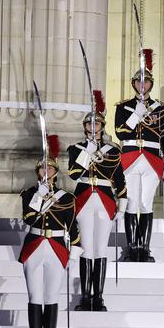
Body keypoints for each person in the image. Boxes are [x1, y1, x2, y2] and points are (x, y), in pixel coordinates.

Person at [18, 139, 80, 328]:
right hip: (34, 246)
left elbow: (73, 226)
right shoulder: (28, 195)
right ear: (38, 172)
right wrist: (39, 197)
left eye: (50, 168)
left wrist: (74, 252)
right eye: (43, 168)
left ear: (55, 172)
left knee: (51, 296)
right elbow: (28, 219)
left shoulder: (66, 198)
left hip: (56, 247)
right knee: (35, 295)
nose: (46, 171)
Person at [67, 93, 124, 311]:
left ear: (102, 126)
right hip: (83, 200)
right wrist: (87, 153)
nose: (93, 127)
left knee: (100, 249)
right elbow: (73, 174)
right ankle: (85, 296)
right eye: (89, 123)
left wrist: (123, 203)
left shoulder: (113, 150)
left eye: (97, 123)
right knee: (86, 249)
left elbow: (119, 179)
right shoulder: (76, 149)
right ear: (85, 127)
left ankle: (98, 297)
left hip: (105, 200)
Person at [115, 54, 164, 261]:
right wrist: (135, 114)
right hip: (130, 158)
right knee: (131, 203)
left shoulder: (162, 109)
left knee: (146, 204)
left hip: (152, 159)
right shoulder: (123, 107)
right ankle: (132, 248)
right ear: (133, 83)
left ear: (151, 84)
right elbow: (121, 133)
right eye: (138, 81)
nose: (142, 84)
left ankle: (144, 248)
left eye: (146, 81)